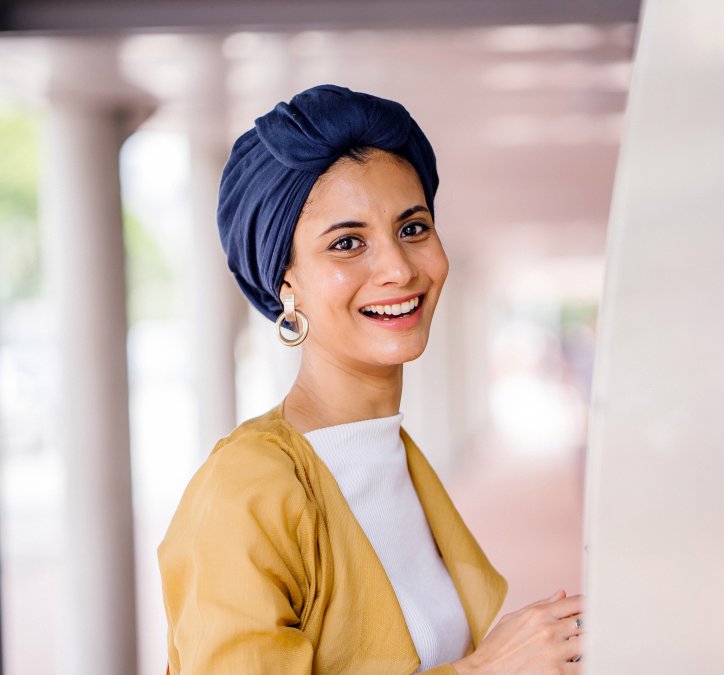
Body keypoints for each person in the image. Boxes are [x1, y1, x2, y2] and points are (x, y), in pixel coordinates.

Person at [158, 84, 584, 674]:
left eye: (412, 228)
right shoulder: (245, 489)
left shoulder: (394, 459)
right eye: (347, 243)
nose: (398, 268)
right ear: (286, 284)